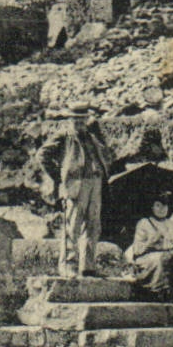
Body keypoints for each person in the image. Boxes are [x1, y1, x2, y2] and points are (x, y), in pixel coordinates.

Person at [55, 114, 108, 278]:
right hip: (76, 184)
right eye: (75, 119)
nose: (79, 122)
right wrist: (60, 178)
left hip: (94, 182)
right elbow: (42, 155)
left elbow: (104, 153)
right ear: (69, 119)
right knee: (72, 224)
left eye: (82, 118)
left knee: (93, 224)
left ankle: (88, 266)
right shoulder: (64, 136)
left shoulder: (91, 136)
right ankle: (68, 265)